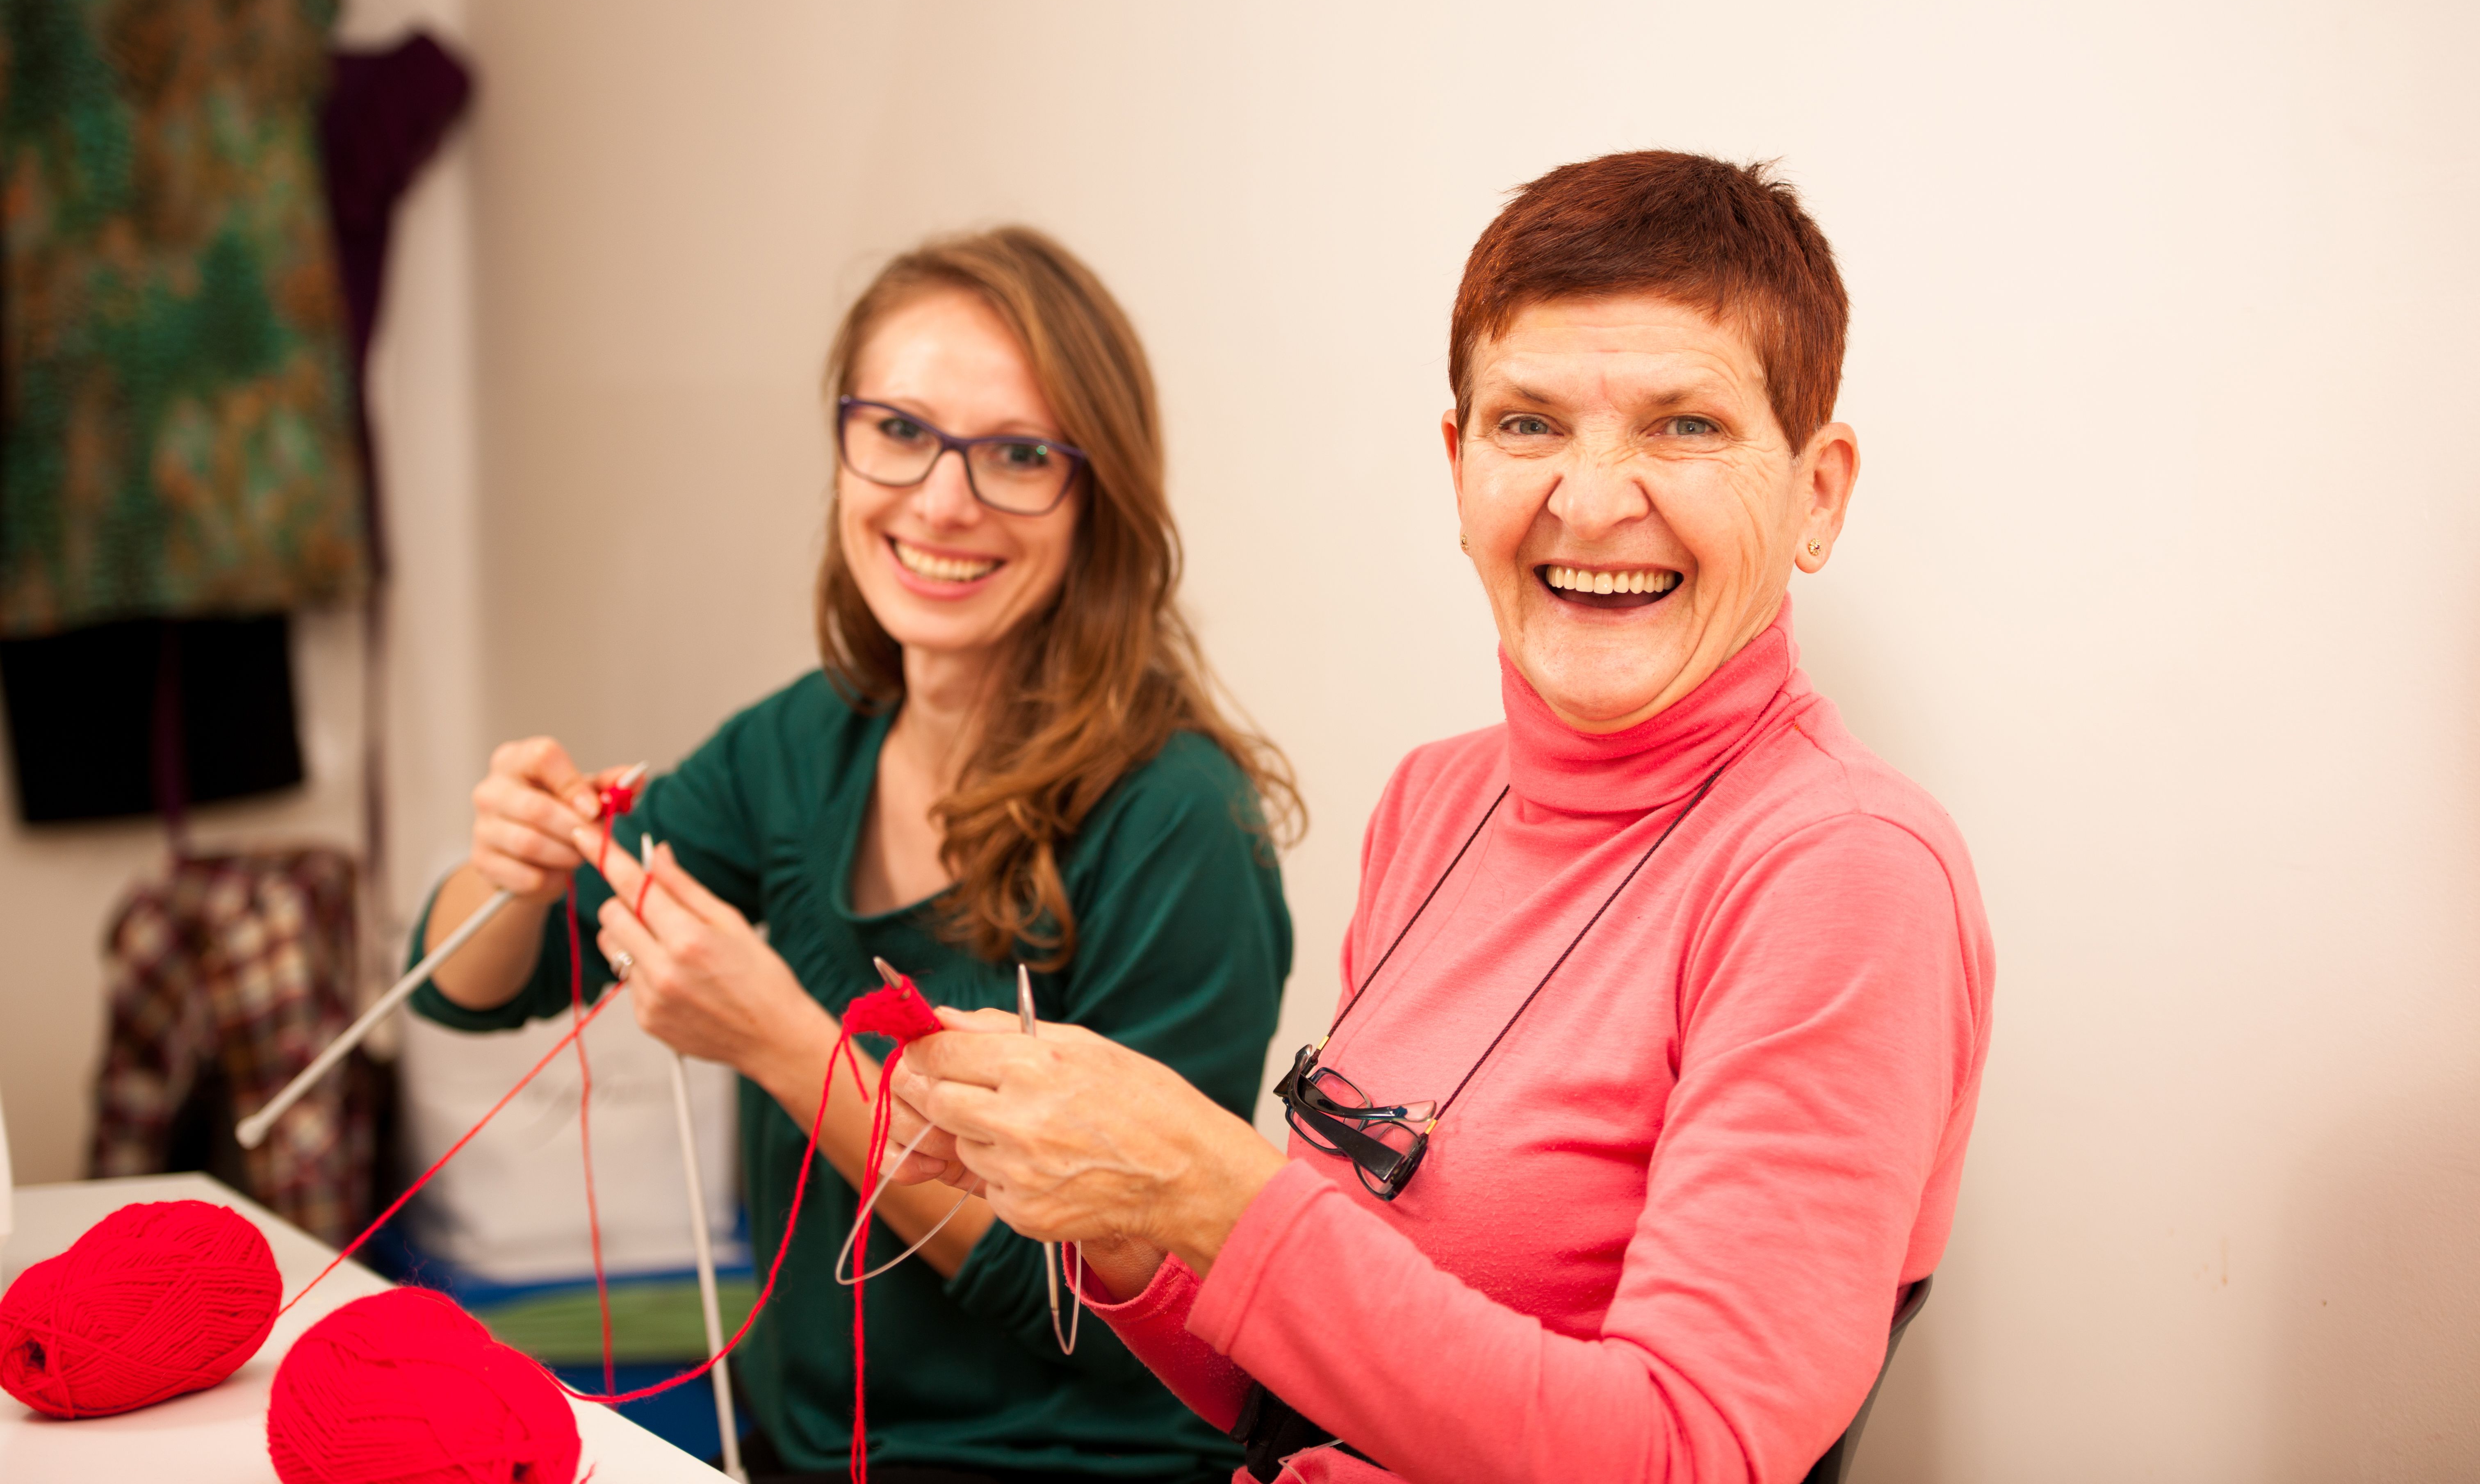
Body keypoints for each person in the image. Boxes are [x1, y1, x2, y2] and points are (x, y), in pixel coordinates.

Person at [891, 153, 1998, 1484]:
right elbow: (1307, 1381)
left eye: (1684, 427)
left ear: (1818, 492)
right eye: (1530, 425)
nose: (1592, 500)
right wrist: (1117, 1207)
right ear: (1460, 464)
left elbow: (1685, 1454)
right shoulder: (1434, 801)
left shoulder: (1845, 872)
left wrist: (1213, 1188)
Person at [410, 226, 1299, 1484]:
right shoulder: (804, 745)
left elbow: (1082, 1296)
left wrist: (783, 1042)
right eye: (898, 430)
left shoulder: (1180, 825)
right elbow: (469, 987)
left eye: (1018, 455)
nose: (942, 500)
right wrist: (517, 869)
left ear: (1096, 498)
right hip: (800, 1451)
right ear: (844, 447)